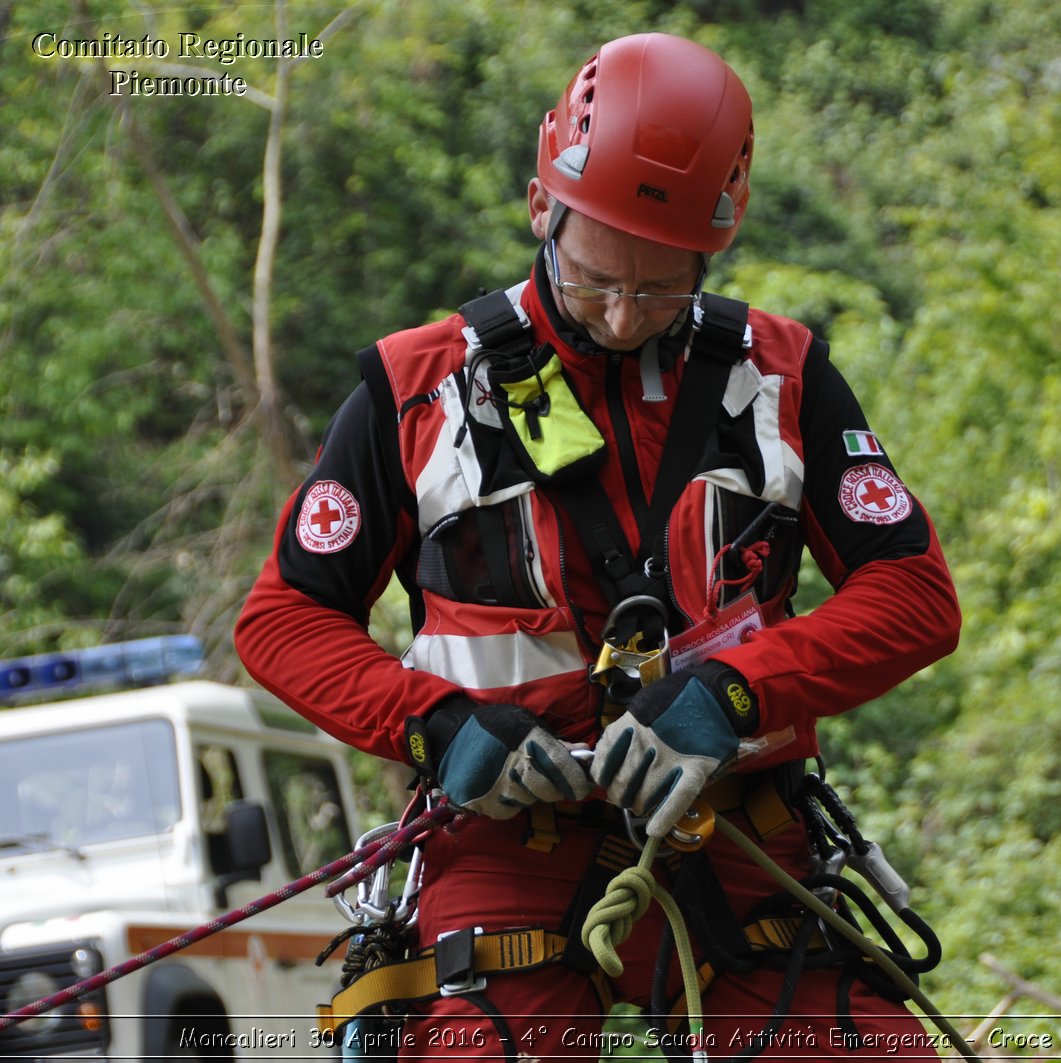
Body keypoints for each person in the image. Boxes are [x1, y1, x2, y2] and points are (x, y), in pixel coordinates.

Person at [236, 31, 961, 1060]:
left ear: (716, 245)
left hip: (738, 828)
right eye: (591, 280)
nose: (621, 316)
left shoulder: (781, 379)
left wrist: (737, 694)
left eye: (658, 288)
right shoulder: (415, 390)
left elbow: (914, 596)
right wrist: (437, 725)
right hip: (506, 841)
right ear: (542, 206)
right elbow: (283, 620)